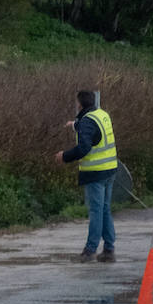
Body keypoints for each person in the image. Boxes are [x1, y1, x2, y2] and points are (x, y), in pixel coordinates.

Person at [55, 90, 118, 262]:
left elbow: (84, 148)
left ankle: (90, 251)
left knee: (96, 211)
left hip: (96, 172)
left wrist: (64, 156)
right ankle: (109, 250)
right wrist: (75, 125)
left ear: (79, 104)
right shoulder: (101, 114)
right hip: (110, 169)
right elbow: (93, 130)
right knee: (105, 210)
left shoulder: (87, 122)